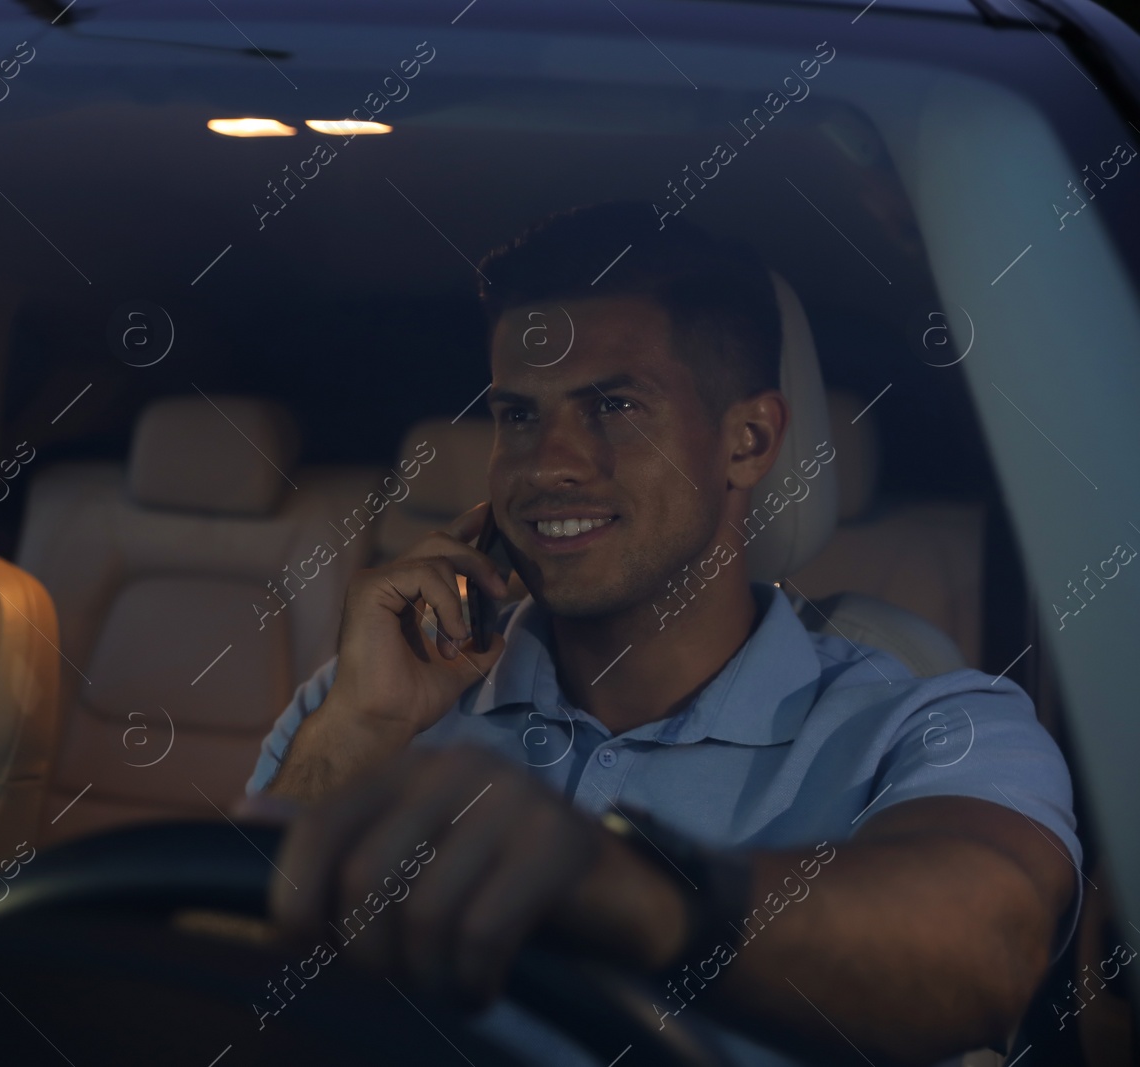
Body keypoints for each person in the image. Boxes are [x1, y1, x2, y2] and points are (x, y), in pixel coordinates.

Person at [237, 203, 1081, 1066]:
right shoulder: (369, 701)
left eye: (614, 405)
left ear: (748, 442)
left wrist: (643, 894)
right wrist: (359, 730)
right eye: (519, 416)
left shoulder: (936, 723)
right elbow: (214, 988)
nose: (549, 464)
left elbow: (985, 951)